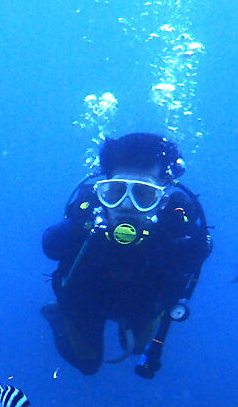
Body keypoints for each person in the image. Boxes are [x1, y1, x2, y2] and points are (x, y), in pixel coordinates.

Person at [41, 133, 211, 378]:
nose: (127, 205)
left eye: (144, 195)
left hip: (143, 306)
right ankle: (55, 316)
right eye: (116, 192)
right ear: (102, 192)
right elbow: (50, 246)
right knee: (86, 364)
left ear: (162, 199)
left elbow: (189, 269)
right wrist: (75, 229)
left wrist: (191, 248)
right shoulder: (84, 224)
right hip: (85, 304)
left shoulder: (175, 231)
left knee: (138, 348)